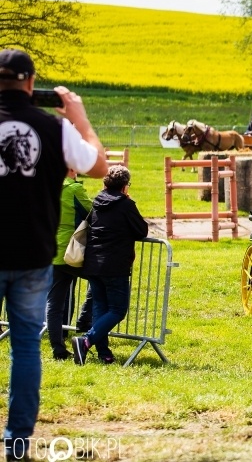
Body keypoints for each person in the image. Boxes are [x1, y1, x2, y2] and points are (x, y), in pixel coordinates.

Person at [0, 48, 107, 461]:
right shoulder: (53, 127)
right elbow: (98, 166)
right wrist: (77, 115)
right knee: (25, 347)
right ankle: (16, 443)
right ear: (31, 84)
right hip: (32, 253)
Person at [72, 165, 148, 366]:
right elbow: (142, 231)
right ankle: (86, 341)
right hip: (114, 266)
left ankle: (103, 353)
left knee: (100, 307)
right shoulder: (125, 205)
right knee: (117, 310)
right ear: (124, 186)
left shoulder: (97, 201)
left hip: (93, 264)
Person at [46, 168, 94, 360]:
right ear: (71, 169)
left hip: (52, 249)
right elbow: (92, 213)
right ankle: (86, 323)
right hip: (73, 250)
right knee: (101, 283)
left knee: (54, 302)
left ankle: (58, 348)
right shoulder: (74, 189)